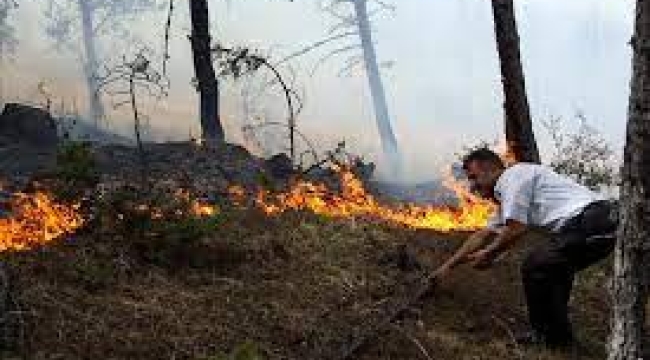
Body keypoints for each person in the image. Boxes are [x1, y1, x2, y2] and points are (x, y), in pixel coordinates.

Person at [433, 148, 617, 349]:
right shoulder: (510, 193)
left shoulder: (513, 178)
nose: (473, 186)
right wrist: (447, 267)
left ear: (489, 168)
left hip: (591, 221)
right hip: (599, 223)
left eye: (474, 177)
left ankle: (546, 337)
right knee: (554, 272)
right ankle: (559, 341)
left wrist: (490, 253)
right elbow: (481, 235)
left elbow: (516, 229)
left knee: (535, 266)